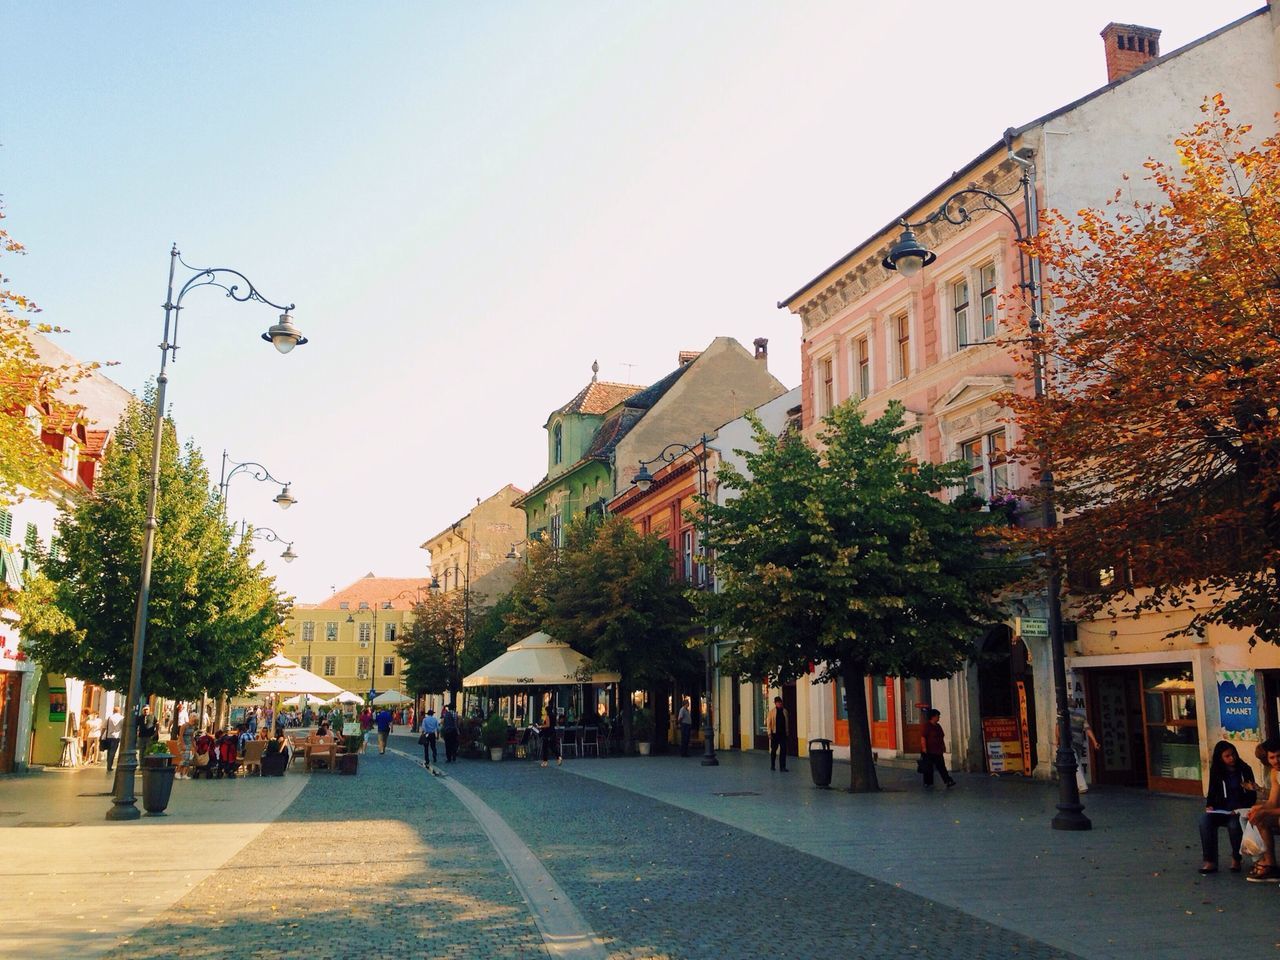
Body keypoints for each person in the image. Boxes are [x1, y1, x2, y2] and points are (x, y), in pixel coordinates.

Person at [1199, 740, 1257, 874]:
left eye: (1233, 754)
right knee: (1204, 821)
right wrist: (1210, 805)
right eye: (1227, 756)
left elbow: (1251, 794)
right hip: (1222, 810)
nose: (1232, 758)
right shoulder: (1217, 771)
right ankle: (1210, 861)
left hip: (1239, 810)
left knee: (1234, 825)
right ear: (1220, 758)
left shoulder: (1245, 770)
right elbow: (1212, 791)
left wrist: (1240, 808)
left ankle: (1236, 858)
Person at [1247, 738, 1280, 882]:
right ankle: (1270, 865)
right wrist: (1259, 809)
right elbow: (1273, 802)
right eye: (1272, 757)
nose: (1276, 761)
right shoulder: (1275, 773)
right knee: (1260, 818)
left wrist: (1266, 811)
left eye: (1279, 756)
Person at [920, 708, 956, 788]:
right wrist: (924, 748)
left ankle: (948, 780)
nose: (939, 717)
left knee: (942, 767)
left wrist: (943, 746)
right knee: (928, 768)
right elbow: (923, 737)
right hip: (929, 750)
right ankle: (928, 782)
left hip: (938, 750)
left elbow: (941, 737)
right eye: (937, 716)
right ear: (933, 717)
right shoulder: (927, 726)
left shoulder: (938, 726)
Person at [766, 696, 789, 772]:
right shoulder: (771, 712)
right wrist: (769, 733)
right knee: (774, 750)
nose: (779, 704)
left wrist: (787, 731)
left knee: (783, 750)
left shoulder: (784, 711)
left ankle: (783, 766)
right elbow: (769, 723)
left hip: (783, 734)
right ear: (775, 703)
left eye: (780, 702)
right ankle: (772, 765)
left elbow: (787, 722)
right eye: (777, 702)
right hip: (775, 734)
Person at [101, 705, 124, 773]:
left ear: (113, 711)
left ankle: (109, 764)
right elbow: (123, 727)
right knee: (113, 751)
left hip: (108, 736)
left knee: (109, 751)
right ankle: (110, 765)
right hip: (116, 737)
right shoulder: (122, 718)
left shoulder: (109, 718)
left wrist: (101, 735)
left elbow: (104, 727)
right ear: (119, 711)